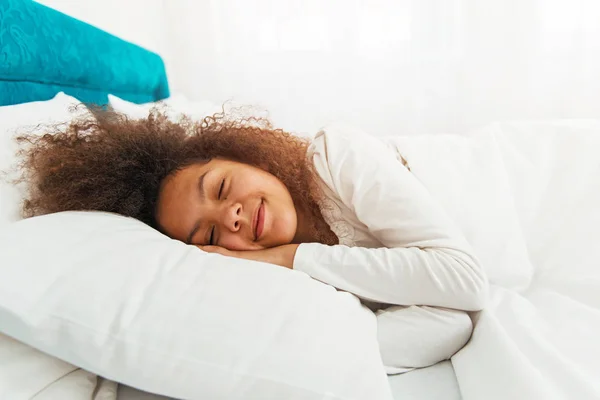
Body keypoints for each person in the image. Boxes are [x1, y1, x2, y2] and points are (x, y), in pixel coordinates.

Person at [15, 108, 488, 372]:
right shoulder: (268, 283)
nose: (234, 216)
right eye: (213, 233)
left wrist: (289, 256)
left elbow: (463, 281)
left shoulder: (334, 154)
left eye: (221, 188)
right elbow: (449, 323)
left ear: (245, 157)